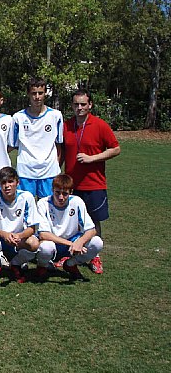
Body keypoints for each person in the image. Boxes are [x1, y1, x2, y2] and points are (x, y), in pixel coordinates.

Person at [62, 89, 120, 274]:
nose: (79, 108)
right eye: (76, 104)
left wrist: (92, 158)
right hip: (72, 184)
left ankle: (95, 256)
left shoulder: (100, 125)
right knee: (71, 221)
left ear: (90, 105)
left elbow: (115, 149)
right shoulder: (66, 125)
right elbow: (62, 152)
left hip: (94, 183)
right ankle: (70, 253)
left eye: (83, 104)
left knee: (94, 222)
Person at [35, 173, 104, 281]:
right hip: (54, 242)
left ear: (71, 192)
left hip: (72, 240)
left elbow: (91, 229)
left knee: (97, 242)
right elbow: (43, 234)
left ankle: (71, 264)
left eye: (65, 194)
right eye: (57, 193)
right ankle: (42, 266)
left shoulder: (77, 202)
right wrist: (71, 244)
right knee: (46, 248)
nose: (61, 197)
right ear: (52, 190)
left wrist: (80, 242)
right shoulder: (43, 203)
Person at [0, 166, 40, 284]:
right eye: (3, 182)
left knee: (34, 243)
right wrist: (4, 234)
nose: (7, 186)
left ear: (17, 182)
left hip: (19, 239)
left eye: (10, 181)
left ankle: (16, 263)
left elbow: (32, 228)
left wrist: (19, 236)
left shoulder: (27, 197)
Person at [11, 77, 63, 198]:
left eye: (40, 93)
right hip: (25, 171)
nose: (37, 97)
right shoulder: (18, 117)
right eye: (34, 93)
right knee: (24, 208)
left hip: (49, 172)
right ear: (28, 94)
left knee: (47, 209)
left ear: (45, 93)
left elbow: (59, 145)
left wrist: (56, 165)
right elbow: (12, 145)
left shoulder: (55, 116)